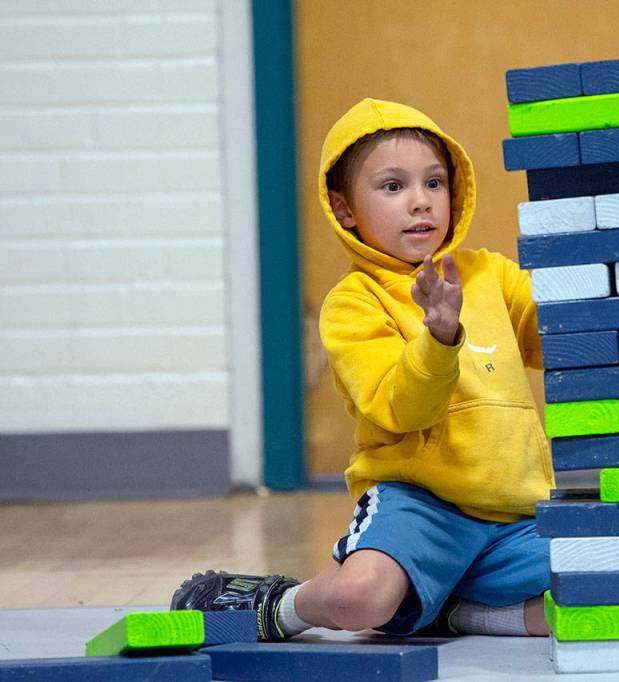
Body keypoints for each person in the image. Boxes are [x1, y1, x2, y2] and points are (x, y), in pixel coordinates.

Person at [171, 98, 555, 641]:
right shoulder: (353, 303)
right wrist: (440, 335)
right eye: (393, 187)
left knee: (595, 586)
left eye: (435, 183)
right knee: (360, 600)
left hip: (512, 516)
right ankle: (279, 602)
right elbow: (403, 407)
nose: (421, 203)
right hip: (420, 508)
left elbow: (564, 332)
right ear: (346, 209)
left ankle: (451, 611)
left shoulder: (490, 274)